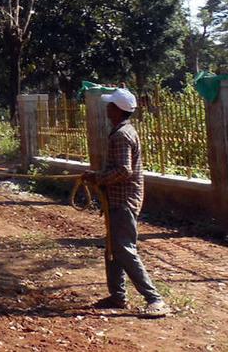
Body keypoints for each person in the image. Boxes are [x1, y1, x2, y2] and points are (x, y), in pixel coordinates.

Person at [81, 87, 170, 319]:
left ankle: (155, 299)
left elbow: (123, 170)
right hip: (118, 198)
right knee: (112, 248)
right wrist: (97, 176)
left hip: (124, 200)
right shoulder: (123, 131)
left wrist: (97, 178)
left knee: (123, 249)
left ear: (118, 110)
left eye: (110, 105)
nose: (107, 108)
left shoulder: (121, 135)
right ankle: (118, 296)